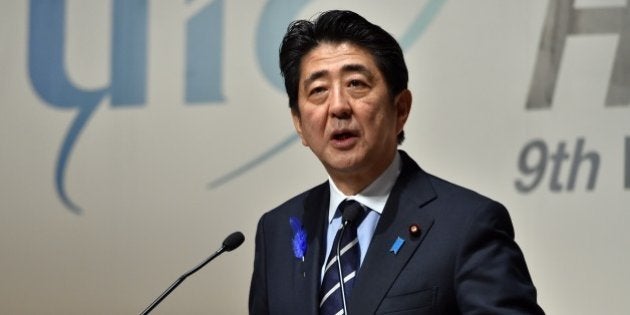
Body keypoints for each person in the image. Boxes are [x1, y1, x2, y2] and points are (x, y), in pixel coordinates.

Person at [249, 10, 544, 315]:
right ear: (299, 123)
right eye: (318, 90)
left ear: (400, 108)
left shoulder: (467, 225)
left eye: (356, 84)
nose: (338, 106)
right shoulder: (277, 231)